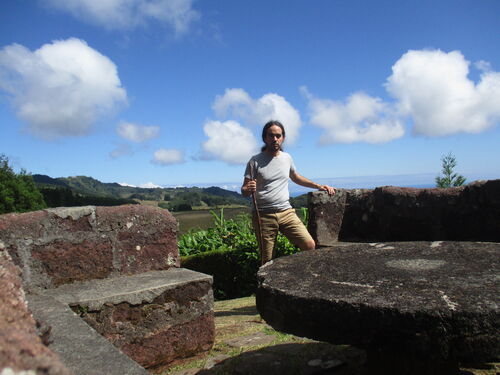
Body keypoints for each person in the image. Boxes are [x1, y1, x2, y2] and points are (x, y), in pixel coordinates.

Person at [241, 120, 335, 264]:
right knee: (267, 259)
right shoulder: (255, 161)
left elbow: (295, 177)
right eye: (271, 136)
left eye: (278, 136)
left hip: (286, 212)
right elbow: (244, 190)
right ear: (265, 138)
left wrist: (318, 186)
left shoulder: (287, 158)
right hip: (263, 215)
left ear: (283, 138)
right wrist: (248, 189)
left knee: (309, 244)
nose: (275, 139)